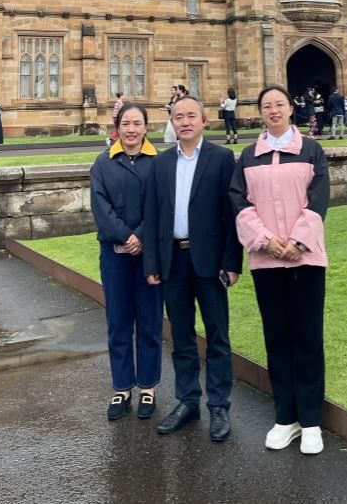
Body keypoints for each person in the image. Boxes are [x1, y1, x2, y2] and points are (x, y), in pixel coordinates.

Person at [230, 85, 329, 456]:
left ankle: (311, 421)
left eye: (279, 104)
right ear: (260, 112)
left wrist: (298, 242)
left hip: (306, 259)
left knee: (307, 337)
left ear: (291, 109)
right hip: (266, 259)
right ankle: (286, 417)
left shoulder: (311, 150)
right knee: (277, 337)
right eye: (267, 106)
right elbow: (238, 202)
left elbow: (318, 200)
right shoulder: (248, 156)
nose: (273, 110)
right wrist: (265, 240)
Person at [144, 95, 242, 442]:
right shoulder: (161, 163)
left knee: (218, 335)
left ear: (204, 120)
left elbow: (232, 214)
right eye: (178, 117)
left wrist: (232, 262)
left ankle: (219, 406)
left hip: (210, 260)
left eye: (190, 116)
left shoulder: (221, 158)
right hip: (173, 259)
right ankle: (188, 401)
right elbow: (153, 215)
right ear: (172, 122)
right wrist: (152, 262)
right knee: (182, 337)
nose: (184, 122)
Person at [90, 103, 163, 421]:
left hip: (150, 255)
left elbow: (163, 205)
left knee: (150, 321)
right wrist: (125, 236)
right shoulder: (103, 162)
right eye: (126, 124)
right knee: (118, 321)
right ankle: (122, 387)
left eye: (137, 123)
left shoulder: (159, 162)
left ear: (146, 127)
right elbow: (100, 205)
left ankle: (148, 386)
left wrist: (141, 236)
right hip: (114, 254)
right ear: (117, 127)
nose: (131, 129)